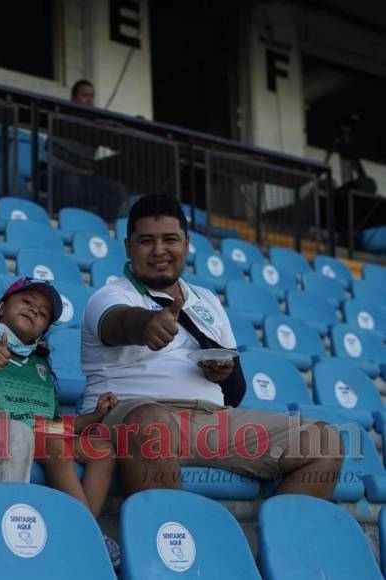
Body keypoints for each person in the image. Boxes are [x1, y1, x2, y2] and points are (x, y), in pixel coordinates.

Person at [81, 194, 343, 499]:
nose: (159, 250)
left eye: (170, 239)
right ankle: (167, 529)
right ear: (128, 246)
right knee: (151, 423)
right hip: (130, 416)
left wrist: (225, 373)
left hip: (210, 420)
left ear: (186, 244)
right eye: (146, 241)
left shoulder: (206, 300)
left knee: (324, 442)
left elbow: (236, 391)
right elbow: (120, 322)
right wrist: (146, 325)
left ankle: (277, 531)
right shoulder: (109, 295)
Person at [0, 278, 121, 567]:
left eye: (43, 313)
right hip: (9, 437)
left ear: (44, 331)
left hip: (46, 434)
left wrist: (94, 416)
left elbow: (55, 424)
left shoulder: (41, 366)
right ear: (0, 308)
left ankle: (78, 533)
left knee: (102, 449)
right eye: (27, 302)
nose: (34, 311)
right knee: (54, 444)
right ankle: (92, 535)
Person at [49, 79, 129, 216]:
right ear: (73, 98)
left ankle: (103, 225)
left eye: (92, 96)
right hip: (52, 175)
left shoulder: (96, 125)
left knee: (116, 189)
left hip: (82, 181)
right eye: (84, 95)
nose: (89, 100)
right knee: (70, 180)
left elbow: (115, 142)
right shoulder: (61, 116)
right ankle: (66, 220)